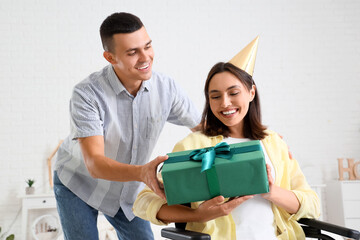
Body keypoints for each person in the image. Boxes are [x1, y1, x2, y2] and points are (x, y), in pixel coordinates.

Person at [133, 37, 320, 240]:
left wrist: (271, 191)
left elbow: (312, 205)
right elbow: (143, 202)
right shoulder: (194, 145)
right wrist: (198, 215)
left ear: (251, 92)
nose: (225, 103)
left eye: (233, 93)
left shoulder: (274, 143)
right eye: (215, 96)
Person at [53, 12, 201, 240]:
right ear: (110, 58)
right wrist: (143, 172)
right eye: (132, 52)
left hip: (127, 191)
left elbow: (204, 127)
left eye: (148, 46)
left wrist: (256, 135)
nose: (145, 58)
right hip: (78, 185)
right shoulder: (87, 94)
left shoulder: (166, 88)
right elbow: (95, 164)